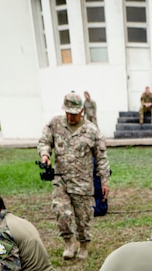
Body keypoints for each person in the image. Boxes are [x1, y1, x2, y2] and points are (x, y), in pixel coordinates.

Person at [38, 91, 110, 261]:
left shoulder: (92, 130)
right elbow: (44, 141)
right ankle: (69, 243)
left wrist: (105, 181)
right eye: (68, 113)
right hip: (61, 179)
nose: (70, 117)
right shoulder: (55, 124)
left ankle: (84, 245)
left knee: (83, 217)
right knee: (61, 211)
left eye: (74, 113)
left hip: (82, 182)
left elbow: (101, 157)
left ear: (81, 111)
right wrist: (45, 154)